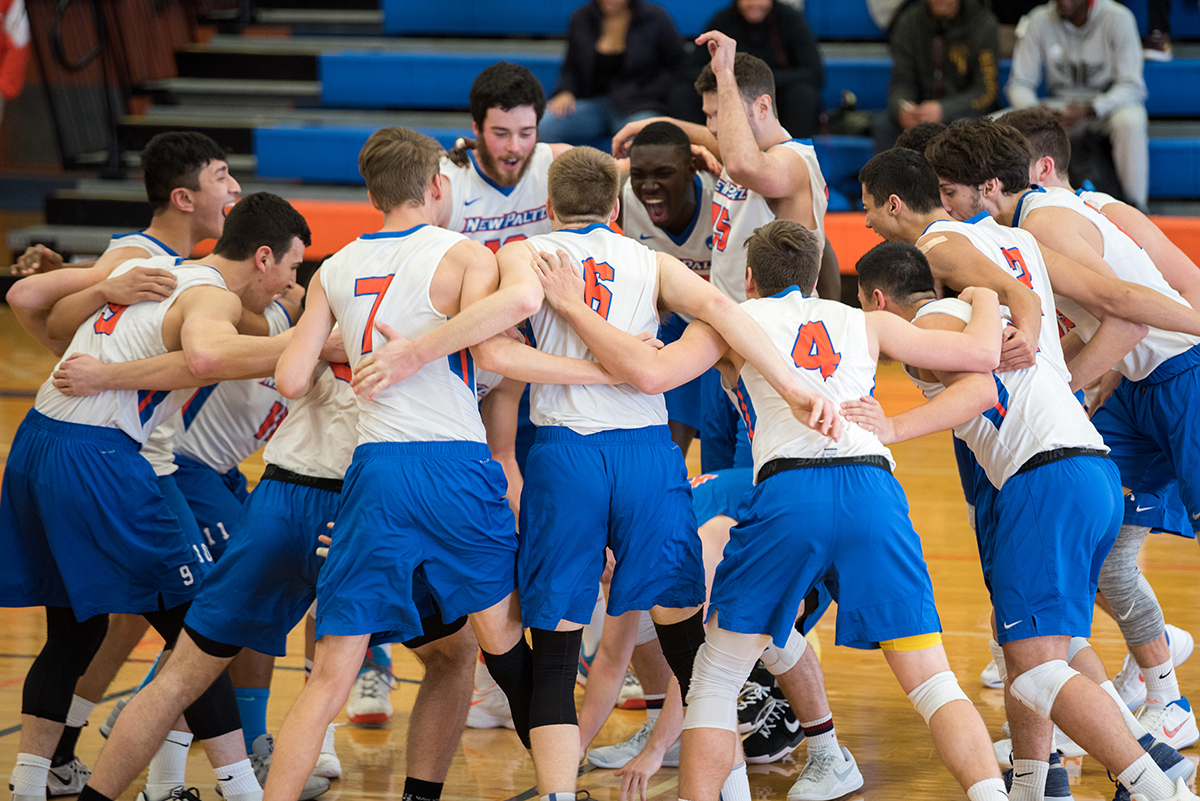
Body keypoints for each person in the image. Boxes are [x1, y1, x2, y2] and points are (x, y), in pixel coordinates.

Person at [532, 218, 1009, 801]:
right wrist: (987, 292)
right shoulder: (866, 321)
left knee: (714, 678)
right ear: (817, 277)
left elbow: (651, 375)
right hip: (873, 487)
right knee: (934, 684)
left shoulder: (733, 325)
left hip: (790, 491)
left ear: (749, 278)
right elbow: (984, 357)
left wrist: (578, 310)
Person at [264, 128, 620, 801]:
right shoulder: (464, 254)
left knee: (330, 675)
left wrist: (349, 346)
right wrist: (422, 348)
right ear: (436, 186)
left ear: (371, 192)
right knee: (505, 646)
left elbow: (288, 376)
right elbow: (517, 309)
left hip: (374, 472)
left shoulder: (334, 267)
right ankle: (557, 788)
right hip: (455, 463)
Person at [847, 239, 1196, 801]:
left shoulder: (927, 332)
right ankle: (1038, 784)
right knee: (1032, 654)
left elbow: (982, 386)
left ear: (878, 300)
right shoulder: (971, 311)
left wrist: (892, 429)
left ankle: (1162, 785)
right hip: (1091, 472)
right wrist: (987, 292)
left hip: (1046, 476)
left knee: (1036, 671)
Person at [1, 191, 311, 801]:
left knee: (72, 631)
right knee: (200, 625)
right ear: (265, 257)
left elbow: (40, 312)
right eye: (292, 270)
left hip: (38, 439)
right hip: (97, 456)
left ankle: (29, 783)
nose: (291, 284)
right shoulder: (212, 294)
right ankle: (239, 787)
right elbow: (204, 357)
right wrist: (310, 344)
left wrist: (96, 311)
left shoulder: (158, 272)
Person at [926, 119, 1200, 752]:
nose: (945, 208)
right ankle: (1153, 689)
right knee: (1104, 555)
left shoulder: (1040, 223)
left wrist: (1064, 380)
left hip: (1181, 374)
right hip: (1138, 390)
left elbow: (1125, 314)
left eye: (950, 192)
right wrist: (1074, 379)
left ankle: (1103, 690)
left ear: (989, 187)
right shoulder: (1042, 221)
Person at [619, 120, 715, 454]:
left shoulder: (723, 196)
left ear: (692, 169)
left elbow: (825, 252)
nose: (648, 186)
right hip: (667, 319)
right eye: (639, 174)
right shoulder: (623, 196)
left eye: (662, 173)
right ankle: (665, 465)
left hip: (719, 321)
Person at [1006, 0, 1149, 210]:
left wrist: (1092, 108)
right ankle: (1011, 208)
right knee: (999, 122)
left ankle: (1136, 206)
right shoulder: (1039, 19)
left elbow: (1132, 86)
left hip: (1102, 107)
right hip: (1058, 108)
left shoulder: (1118, 17)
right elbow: (1019, 84)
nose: (1064, 2)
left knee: (1131, 120)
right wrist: (1035, 110)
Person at [539, 0, 684, 151]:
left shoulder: (655, 17)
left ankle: (628, 174)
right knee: (545, 124)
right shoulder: (581, 17)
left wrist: (651, 92)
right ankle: (568, 173)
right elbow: (571, 67)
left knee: (645, 135)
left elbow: (679, 67)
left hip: (639, 106)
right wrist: (564, 91)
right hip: (593, 105)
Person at [669, 0, 824, 140]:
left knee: (803, 94)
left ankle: (794, 155)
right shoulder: (723, 20)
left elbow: (814, 73)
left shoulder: (790, 20)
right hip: (729, 94)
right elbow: (690, 70)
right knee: (682, 93)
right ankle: (702, 154)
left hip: (775, 96)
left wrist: (760, 80)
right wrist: (726, 79)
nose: (755, 3)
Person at [876, 0, 1000, 151]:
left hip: (964, 111)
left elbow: (986, 90)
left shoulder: (983, 23)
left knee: (962, 127)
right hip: (921, 109)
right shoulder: (908, 21)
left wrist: (943, 109)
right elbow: (901, 81)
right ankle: (892, 174)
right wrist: (902, 108)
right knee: (885, 124)